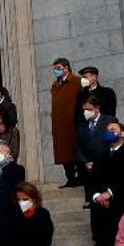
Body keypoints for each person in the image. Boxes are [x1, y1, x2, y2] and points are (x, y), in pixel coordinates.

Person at [75, 95, 114, 208]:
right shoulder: (81, 126)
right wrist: (84, 162)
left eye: (89, 109)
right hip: (88, 169)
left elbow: (112, 142)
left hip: (105, 166)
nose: (86, 112)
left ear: (97, 108)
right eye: (84, 110)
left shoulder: (109, 121)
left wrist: (99, 162)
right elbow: (78, 148)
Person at [49, 59, 81, 188]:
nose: (56, 71)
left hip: (73, 122)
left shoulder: (76, 81)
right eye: (54, 68)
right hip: (59, 124)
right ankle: (70, 178)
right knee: (63, 153)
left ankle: (80, 177)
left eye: (58, 67)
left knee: (75, 150)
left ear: (66, 68)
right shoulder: (55, 85)